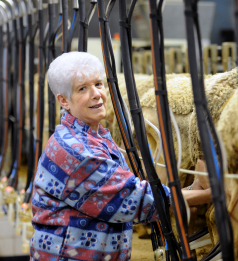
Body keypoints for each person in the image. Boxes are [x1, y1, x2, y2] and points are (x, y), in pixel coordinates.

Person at [30, 52, 211, 261]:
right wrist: (213, 194)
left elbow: (128, 194)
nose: (96, 94)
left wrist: (190, 190)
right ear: (63, 101)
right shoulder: (76, 150)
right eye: (82, 89)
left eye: (98, 84)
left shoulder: (96, 137)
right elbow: (135, 200)